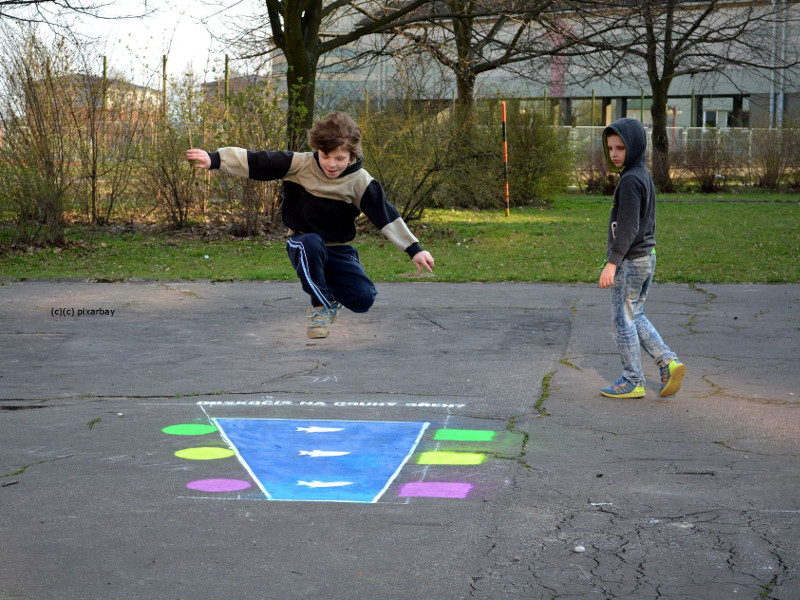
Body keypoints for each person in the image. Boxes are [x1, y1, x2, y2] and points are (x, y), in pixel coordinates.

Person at [186, 111, 434, 339]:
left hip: (338, 250)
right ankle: (321, 304)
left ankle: (330, 294)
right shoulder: (300, 164)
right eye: (326, 156)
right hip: (302, 242)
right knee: (310, 243)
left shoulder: (360, 181)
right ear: (318, 150)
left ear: (352, 155)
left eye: (340, 158)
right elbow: (260, 161)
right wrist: (216, 159)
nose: (332, 164)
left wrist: (414, 249)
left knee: (363, 299)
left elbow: (385, 214)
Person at [598, 117, 685, 399]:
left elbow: (628, 228)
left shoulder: (630, 182)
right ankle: (668, 362)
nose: (614, 153)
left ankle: (632, 379)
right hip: (647, 256)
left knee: (622, 321)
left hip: (631, 261)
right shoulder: (642, 175)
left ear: (633, 147)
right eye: (611, 148)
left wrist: (613, 263)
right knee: (636, 315)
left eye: (620, 147)